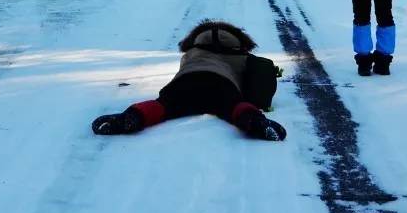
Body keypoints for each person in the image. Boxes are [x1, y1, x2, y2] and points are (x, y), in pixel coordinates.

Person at [91, 20, 287, 141]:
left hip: (185, 82)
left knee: (163, 106)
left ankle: (131, 117)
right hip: (221, 84)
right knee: (234, 106)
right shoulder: (242, 56)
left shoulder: (191, 52)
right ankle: (255, 122)